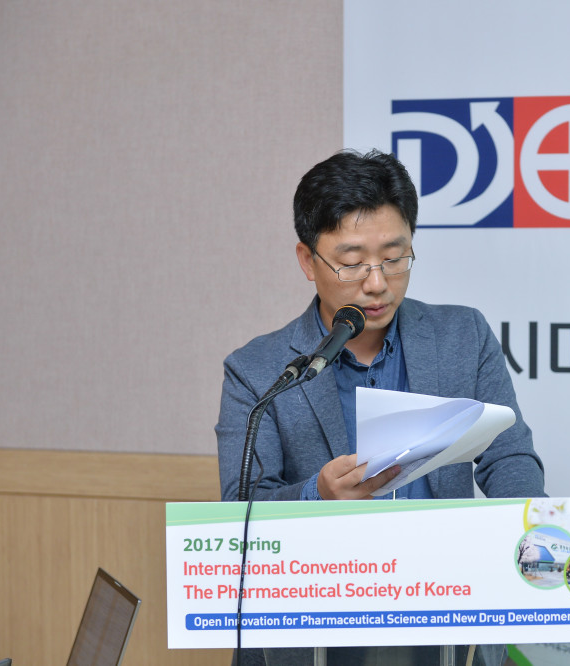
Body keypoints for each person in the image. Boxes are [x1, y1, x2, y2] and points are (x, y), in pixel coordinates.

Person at [215, 149, 545, 665]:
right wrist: (317, 496)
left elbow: (509, 457)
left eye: (394, 257)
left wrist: (533, 537)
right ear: (307, 260)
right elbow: (242, 510)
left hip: (446, 625)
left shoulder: (463, 336)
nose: (376, 283)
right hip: (313, 633)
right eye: (351, 263)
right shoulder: (258, 371)